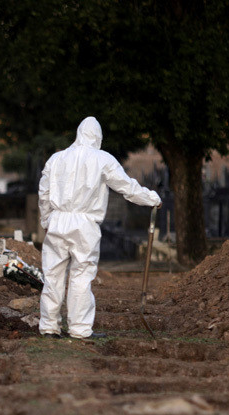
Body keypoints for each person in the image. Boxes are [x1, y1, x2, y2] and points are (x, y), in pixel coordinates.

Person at [38, 116, 161, 339]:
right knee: (81, 275)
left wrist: (46, 220)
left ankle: (49, 326)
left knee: (52, 274)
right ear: (98, 137)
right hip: (85, 224)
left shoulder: (56, 159)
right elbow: (127, 187)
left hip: (58, 220)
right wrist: (151, 198)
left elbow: (44, 193)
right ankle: (79, 329)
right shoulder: (102, 159)